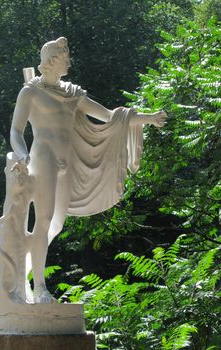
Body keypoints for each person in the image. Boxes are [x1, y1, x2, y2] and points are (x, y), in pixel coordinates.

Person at [10, 37, 166, 303]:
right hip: (43, 159)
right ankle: (39, 287)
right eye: (65, 57)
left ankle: (22, 267)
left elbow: (108, 116)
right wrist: (22, 155)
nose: (69, 62)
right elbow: (16, 130)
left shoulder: (72, 94)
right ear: (52, 61)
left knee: (56, 225)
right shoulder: (31, 92)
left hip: (65, 162)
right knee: (44, 221)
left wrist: (148, 119)